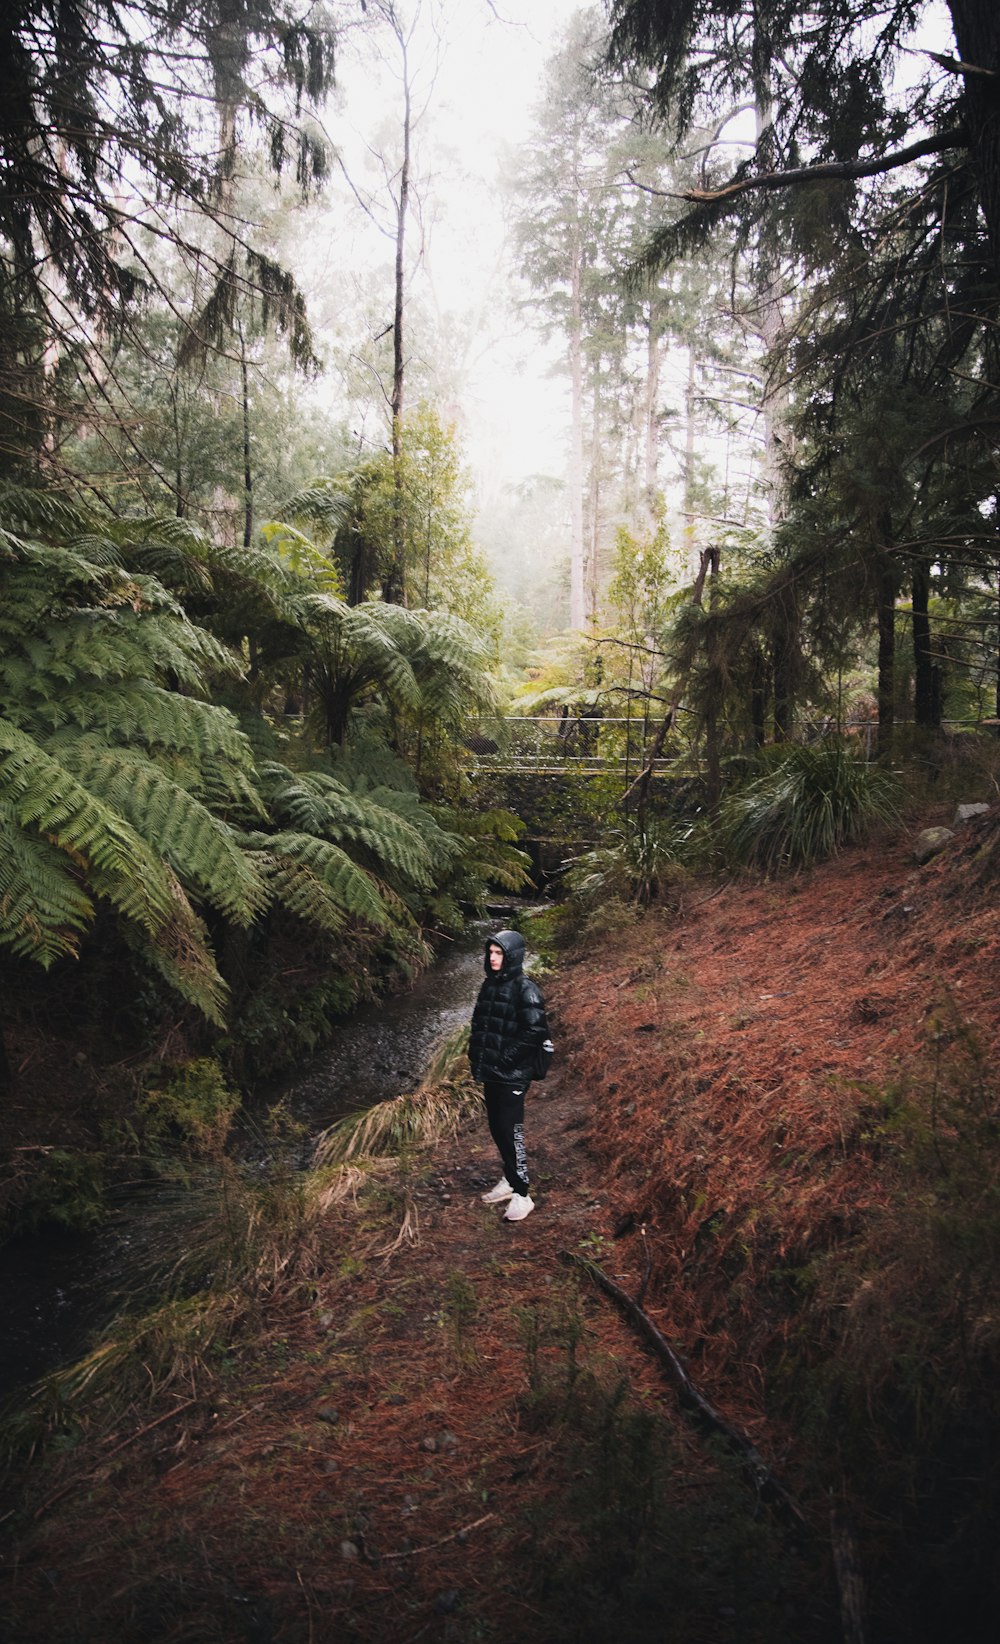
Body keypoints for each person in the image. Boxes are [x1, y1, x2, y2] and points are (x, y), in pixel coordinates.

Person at [469, 928, 547, 1222]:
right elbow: (482, 1025)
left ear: (512, 956)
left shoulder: (526, 989)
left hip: (512, 1075)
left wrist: (505, 1058)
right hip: (491, 1072)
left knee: (512, 1132)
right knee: (497, 1128)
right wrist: (476, 1057)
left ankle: (523, 1195)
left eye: (499, 953)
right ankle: (509, 1179)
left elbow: (535, 1031)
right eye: (490, 952)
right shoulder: (489, 985)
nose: (493, 958)